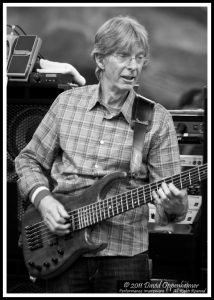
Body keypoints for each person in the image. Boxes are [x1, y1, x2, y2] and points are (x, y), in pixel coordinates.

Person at [15, 15, 188, 293]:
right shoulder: (66, 104)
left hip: (125, 255)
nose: (134, 66)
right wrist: (44, 202)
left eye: (140, 58)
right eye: (123, 56)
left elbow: (171, 213)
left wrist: (175, 205)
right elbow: (27, 160)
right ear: (100, 60)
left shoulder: (156, 119)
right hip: (58, 249)